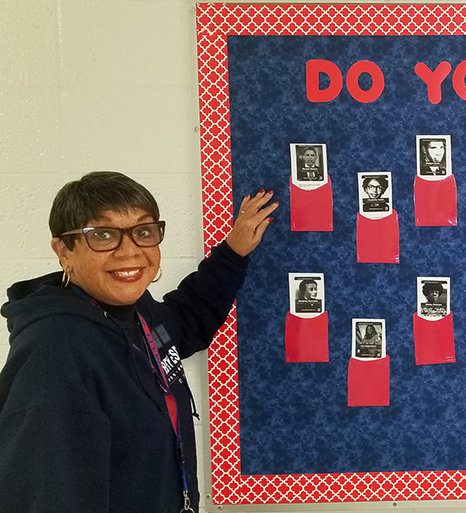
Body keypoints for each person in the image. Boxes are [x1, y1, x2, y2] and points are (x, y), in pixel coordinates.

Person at [0, 171, 277, 513]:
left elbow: (187, 320)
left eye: (143, 232)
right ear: (64, 250)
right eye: (103, 235)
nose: (129, 251)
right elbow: (42, 495)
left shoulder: (136, 314)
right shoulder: (55, 350)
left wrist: (233, 252)